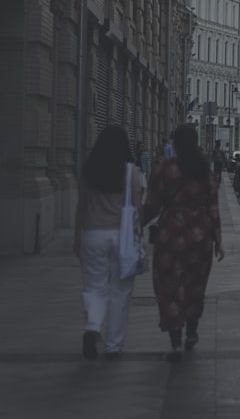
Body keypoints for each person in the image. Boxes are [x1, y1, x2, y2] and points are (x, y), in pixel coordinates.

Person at [144, 124, 224, 362]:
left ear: (176, 144)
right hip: (200, 235)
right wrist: (218, 240)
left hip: (171, 234)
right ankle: (191, 333)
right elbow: (213, 208)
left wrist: (137, 223)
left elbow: (152, 204)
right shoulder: (204, 170)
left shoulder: (166, 169)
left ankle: (176, 344)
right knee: (194, 287)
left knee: (170, 286)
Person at [74, 124, 146, 360]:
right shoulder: (131, 173)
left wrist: (78, 236)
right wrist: (139, 241)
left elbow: (81, 206)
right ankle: (114, 345)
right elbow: (136, 210)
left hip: (92, 234)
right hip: (121, 237)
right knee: (120, 292)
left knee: (94, 286)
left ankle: (93, 327)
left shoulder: (89, 170)